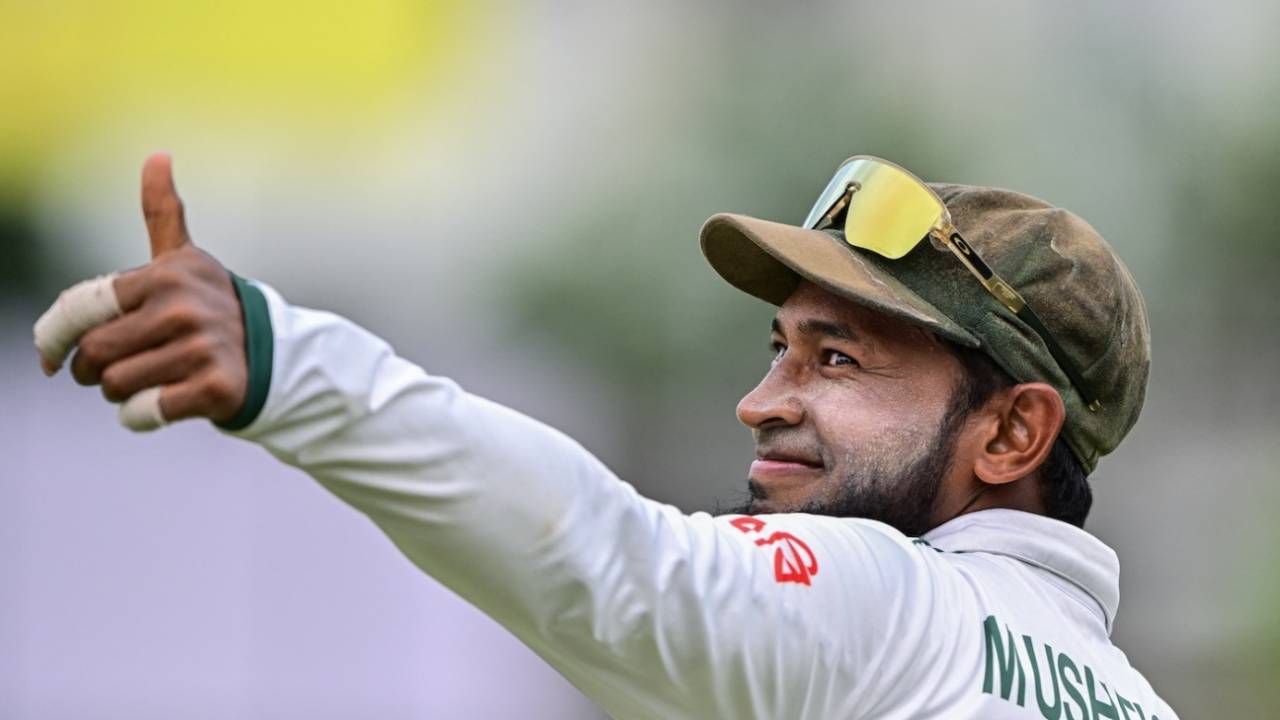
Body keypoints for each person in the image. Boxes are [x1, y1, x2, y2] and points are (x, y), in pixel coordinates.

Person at [34, 152, 1178, 719]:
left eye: (836, 360)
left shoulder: (890, 605)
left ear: (1013, 432)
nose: (763, 399)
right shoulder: (1136, 703)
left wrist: (288, 365)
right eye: (774, 348)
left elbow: (611, 561)